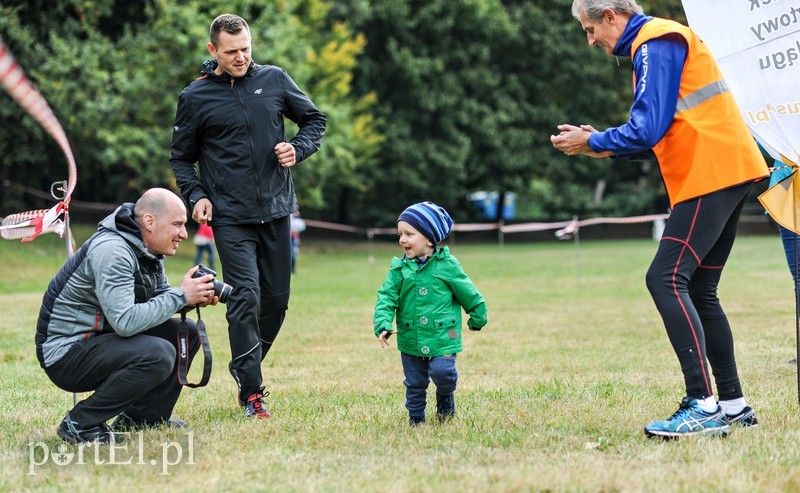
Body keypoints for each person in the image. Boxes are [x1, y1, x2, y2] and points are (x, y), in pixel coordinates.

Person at [551, 0, 768, 438]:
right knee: (702, 289)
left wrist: (591, 142)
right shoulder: (658, 41)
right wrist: (601, 141)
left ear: (611, 15)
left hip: (711, 172)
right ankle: (733, 404)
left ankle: (702, 405)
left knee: (665, 278)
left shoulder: (653, 41)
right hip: (729, 168)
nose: (591, 40)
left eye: (590, 29)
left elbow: (648, 128)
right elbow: (660, 126)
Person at [170, 13, 326, 419]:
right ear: (213, 51)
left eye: (246, 49)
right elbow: (182, 159)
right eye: (231, 51)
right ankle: (252, 392)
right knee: (246, 297)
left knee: (276, 303)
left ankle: (244, 364)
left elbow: (314, 120)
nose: (241, 57)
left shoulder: (274, 80)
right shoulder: (196, 97)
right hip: (230, 217)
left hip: (277, 211)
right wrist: (197, 195)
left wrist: (299, 148)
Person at [36, 188, 220, 444]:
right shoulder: (113, 251)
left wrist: (192, 297)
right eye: (177, 224)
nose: (184, 234)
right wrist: (181, 296)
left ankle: (142, 418)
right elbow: (125, 322)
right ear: (149, 222)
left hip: (100, 339)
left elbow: (162, 297)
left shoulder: (146, 248)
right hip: (66, 353)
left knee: (186, 332)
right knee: (158, 353)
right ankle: (80, 424)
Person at [373, 202, 488, 425]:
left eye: (409, 233)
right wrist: (383, 323)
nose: (402, 239)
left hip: (443, 335)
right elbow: (386, 298)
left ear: (429, 238)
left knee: (443, 373)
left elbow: (467, 290)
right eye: (400, 234)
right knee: (415, 382)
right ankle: (416, 418)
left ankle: (445, 396)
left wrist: (478, 314)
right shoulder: (399, 270)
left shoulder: (448, 266)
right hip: (411, 335)